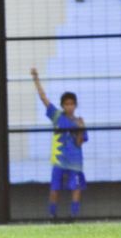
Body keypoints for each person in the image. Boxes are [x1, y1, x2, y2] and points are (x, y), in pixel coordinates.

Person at [31, 68, 88, 220]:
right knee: (55, 187)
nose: (69, 107)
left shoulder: (79, 121)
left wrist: (81, 129)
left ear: (75, 105)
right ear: (62, 106)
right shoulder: (57, 117)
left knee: (76, 188)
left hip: (75, 161)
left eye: (72, 104)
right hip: (59, 160)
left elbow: (79, 142)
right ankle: (52, 214)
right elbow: (44, 99)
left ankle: (73, 215)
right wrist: (36, 79)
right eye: (66, 104)